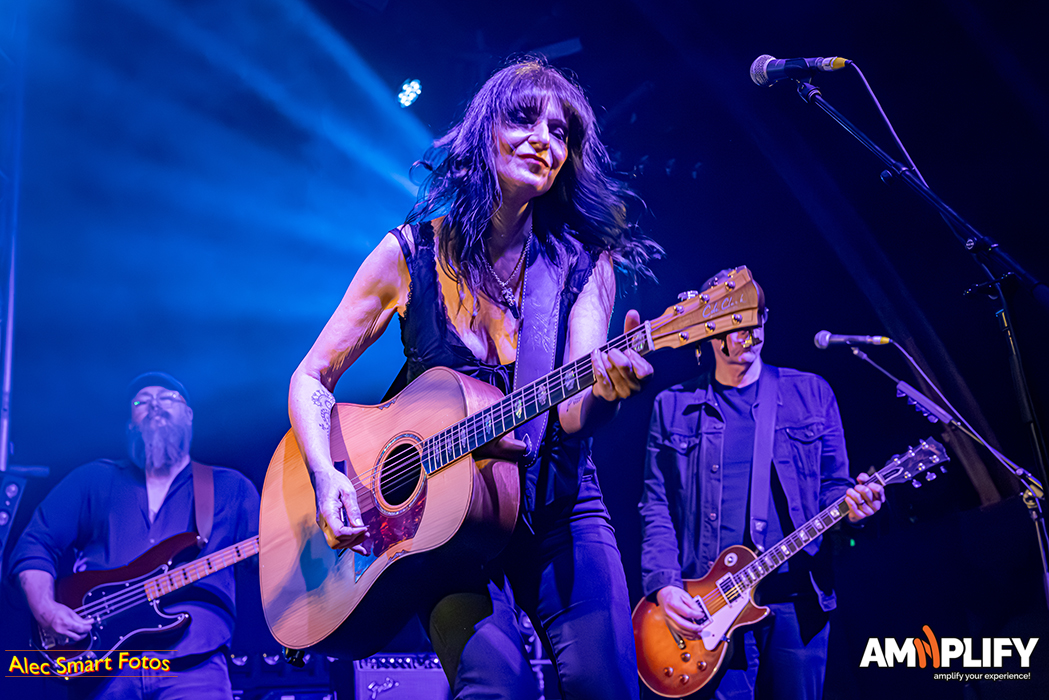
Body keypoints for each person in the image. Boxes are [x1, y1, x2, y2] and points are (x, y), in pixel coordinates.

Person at [288, 57, 659, 699]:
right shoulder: (409, 254)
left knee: (606, 689)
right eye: (524, 119)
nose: (543, 139)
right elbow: (313, 378)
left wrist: (607, 393)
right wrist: (325, 475)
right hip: (444, 527)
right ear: (485, 130)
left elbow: (574, 413)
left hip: (559, 510)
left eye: (560, 132)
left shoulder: (582, 266)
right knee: (496, 688)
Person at [639, 270, 886, 700]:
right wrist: (665, 584)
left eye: (756, 319)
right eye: (736, 322)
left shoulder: (811, 393)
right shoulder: (673, 407)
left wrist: (855, 509)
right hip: (708, 609)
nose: (749, 333)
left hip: (797, 601)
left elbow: (834, 487)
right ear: (709, 330)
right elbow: (656, 505)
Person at [10, 371, 260, 700]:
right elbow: (35, 543)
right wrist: (45, 608)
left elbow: (271, 565)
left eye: (168, 398)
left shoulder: (231, 487)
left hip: (195, 670)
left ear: (189, 415)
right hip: (102, 671)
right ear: (130, 424)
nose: (155, 405)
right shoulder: (92, 480)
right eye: (142, 402)